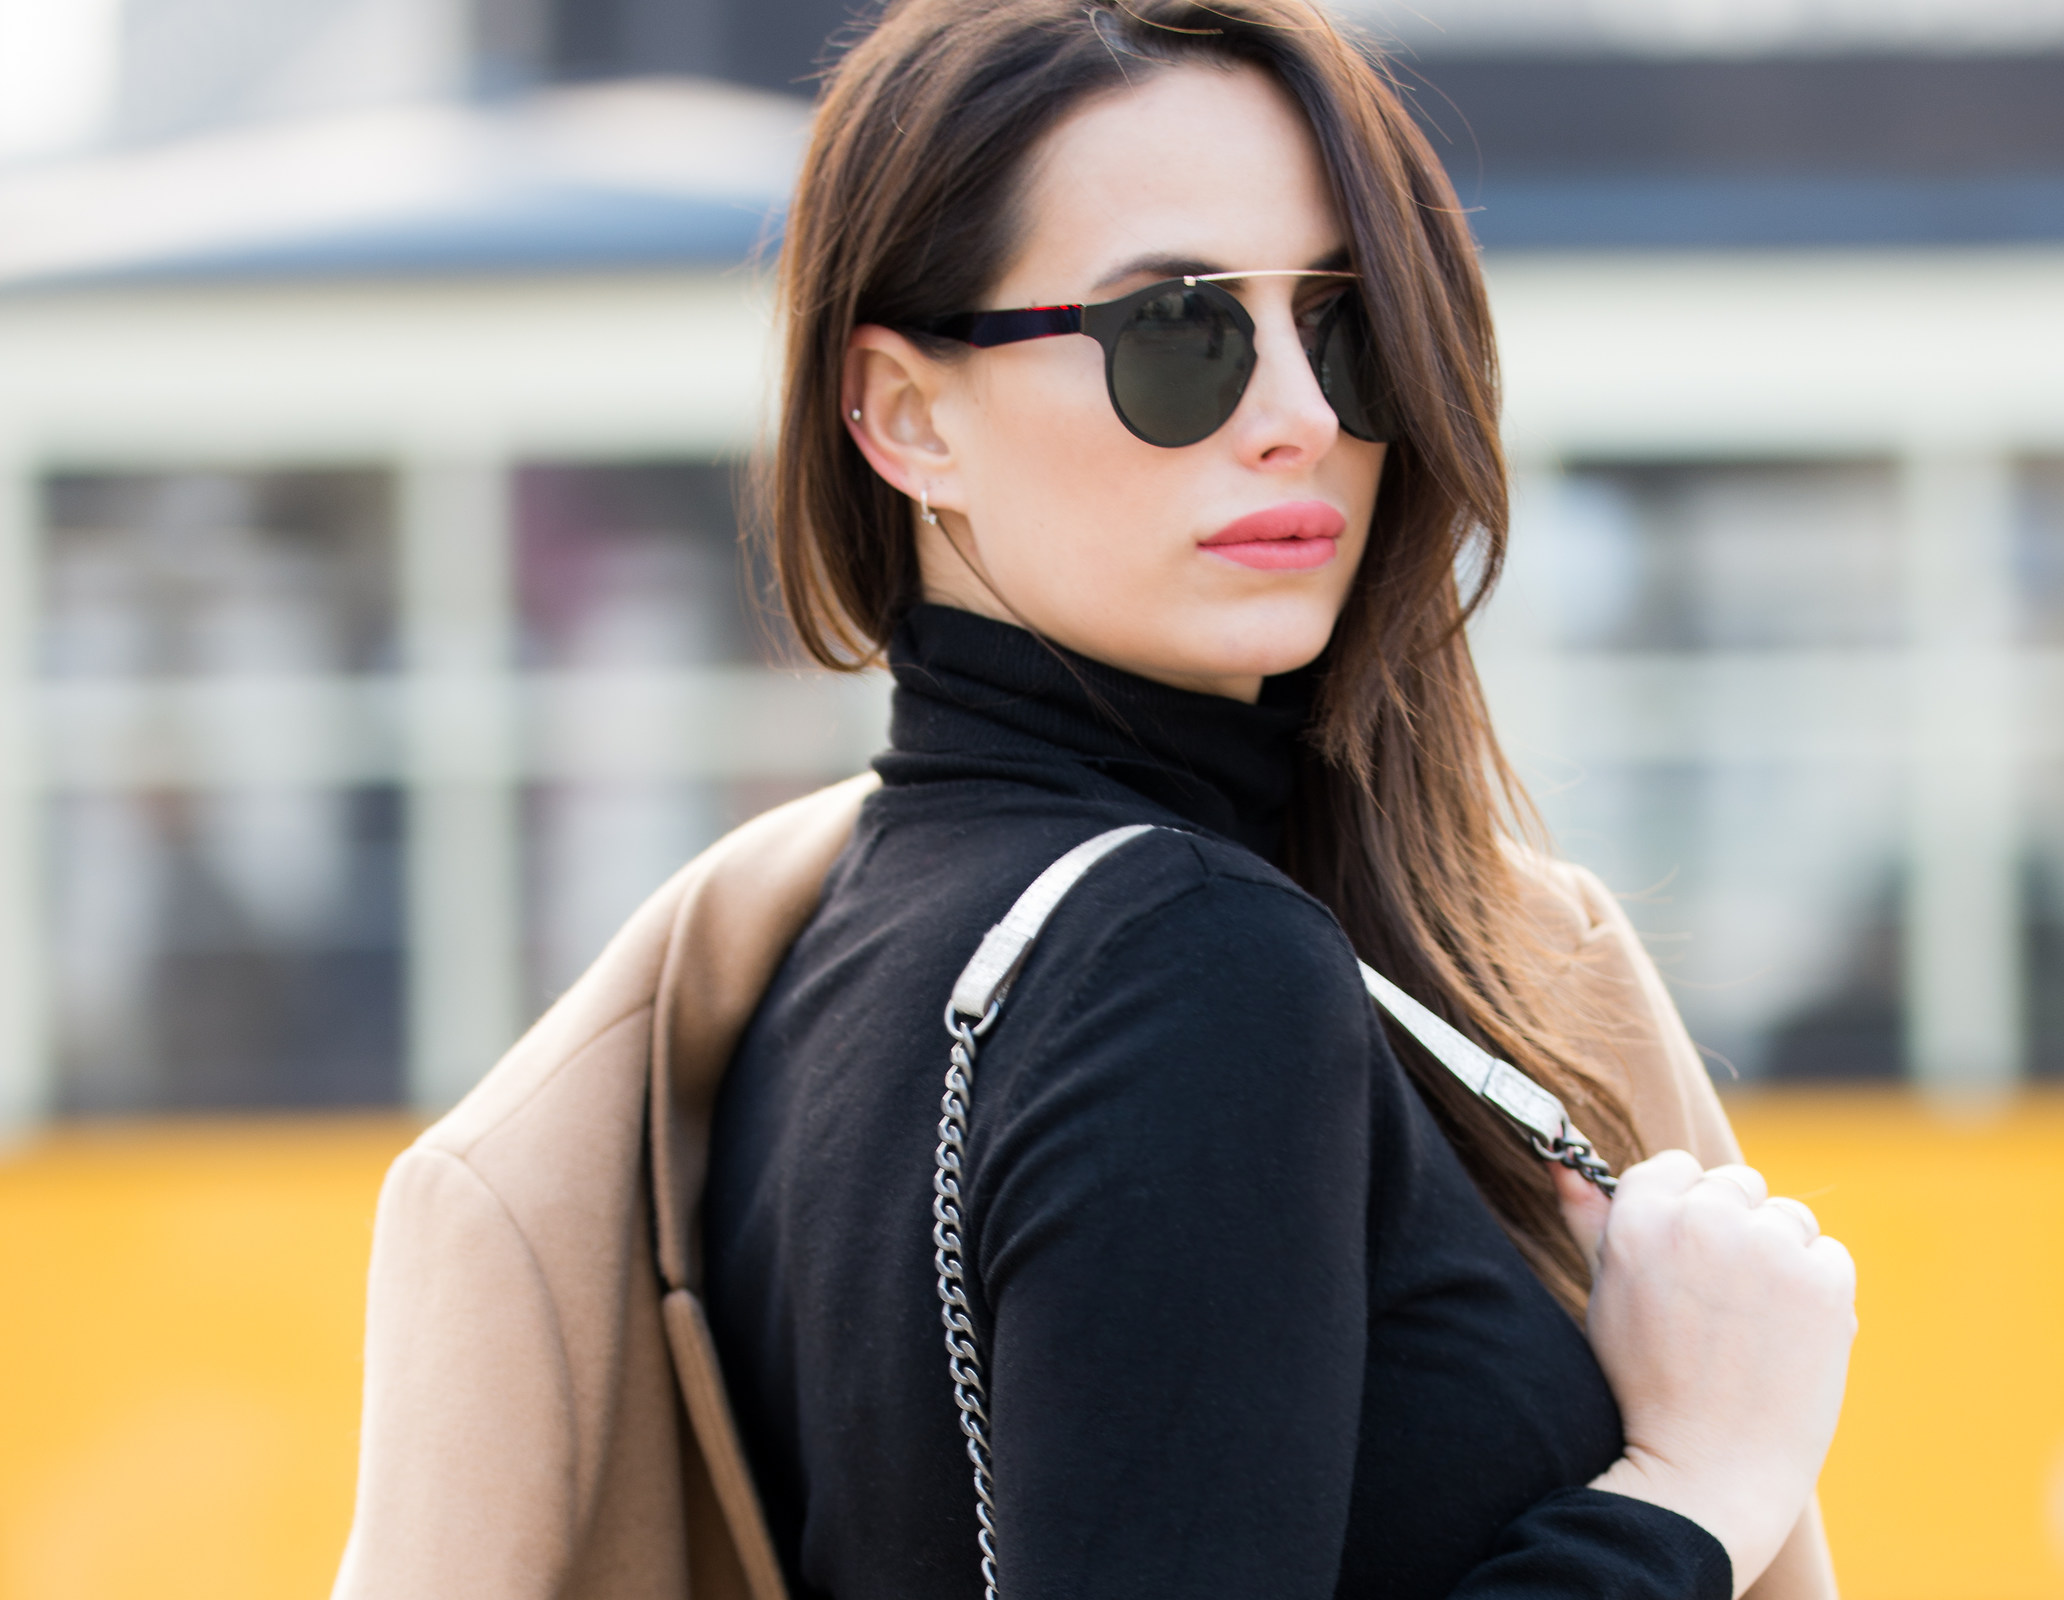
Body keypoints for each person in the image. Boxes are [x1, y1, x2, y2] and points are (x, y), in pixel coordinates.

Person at [702, 2, 1857, 1597]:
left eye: (1348, 324)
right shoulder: (1179, 961)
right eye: (1178, 330)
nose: (1301, 417)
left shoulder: (820, 955)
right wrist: (1692, 1488)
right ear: (906, 414)